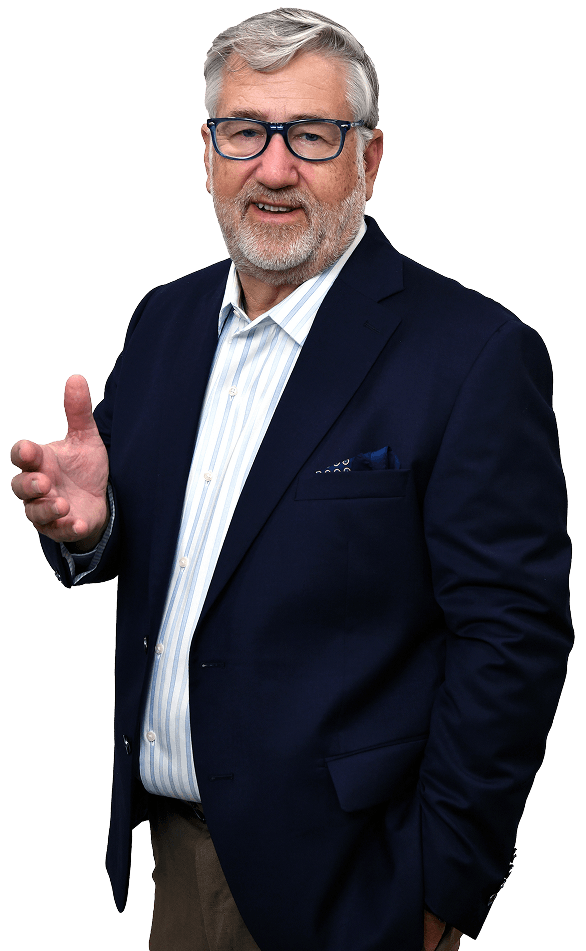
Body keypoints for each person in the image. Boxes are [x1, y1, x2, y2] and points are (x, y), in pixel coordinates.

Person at [10, 9, 572, 951]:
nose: (273, 169)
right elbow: (206, 561)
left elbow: (514, 638)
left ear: (369, 159)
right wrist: (97, 531)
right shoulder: (164, 321)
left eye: (312, 135)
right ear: (207, 152)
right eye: (244, 132)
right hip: (172, 860)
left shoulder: (474, 353)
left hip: (355, 882)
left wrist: (438, 888)